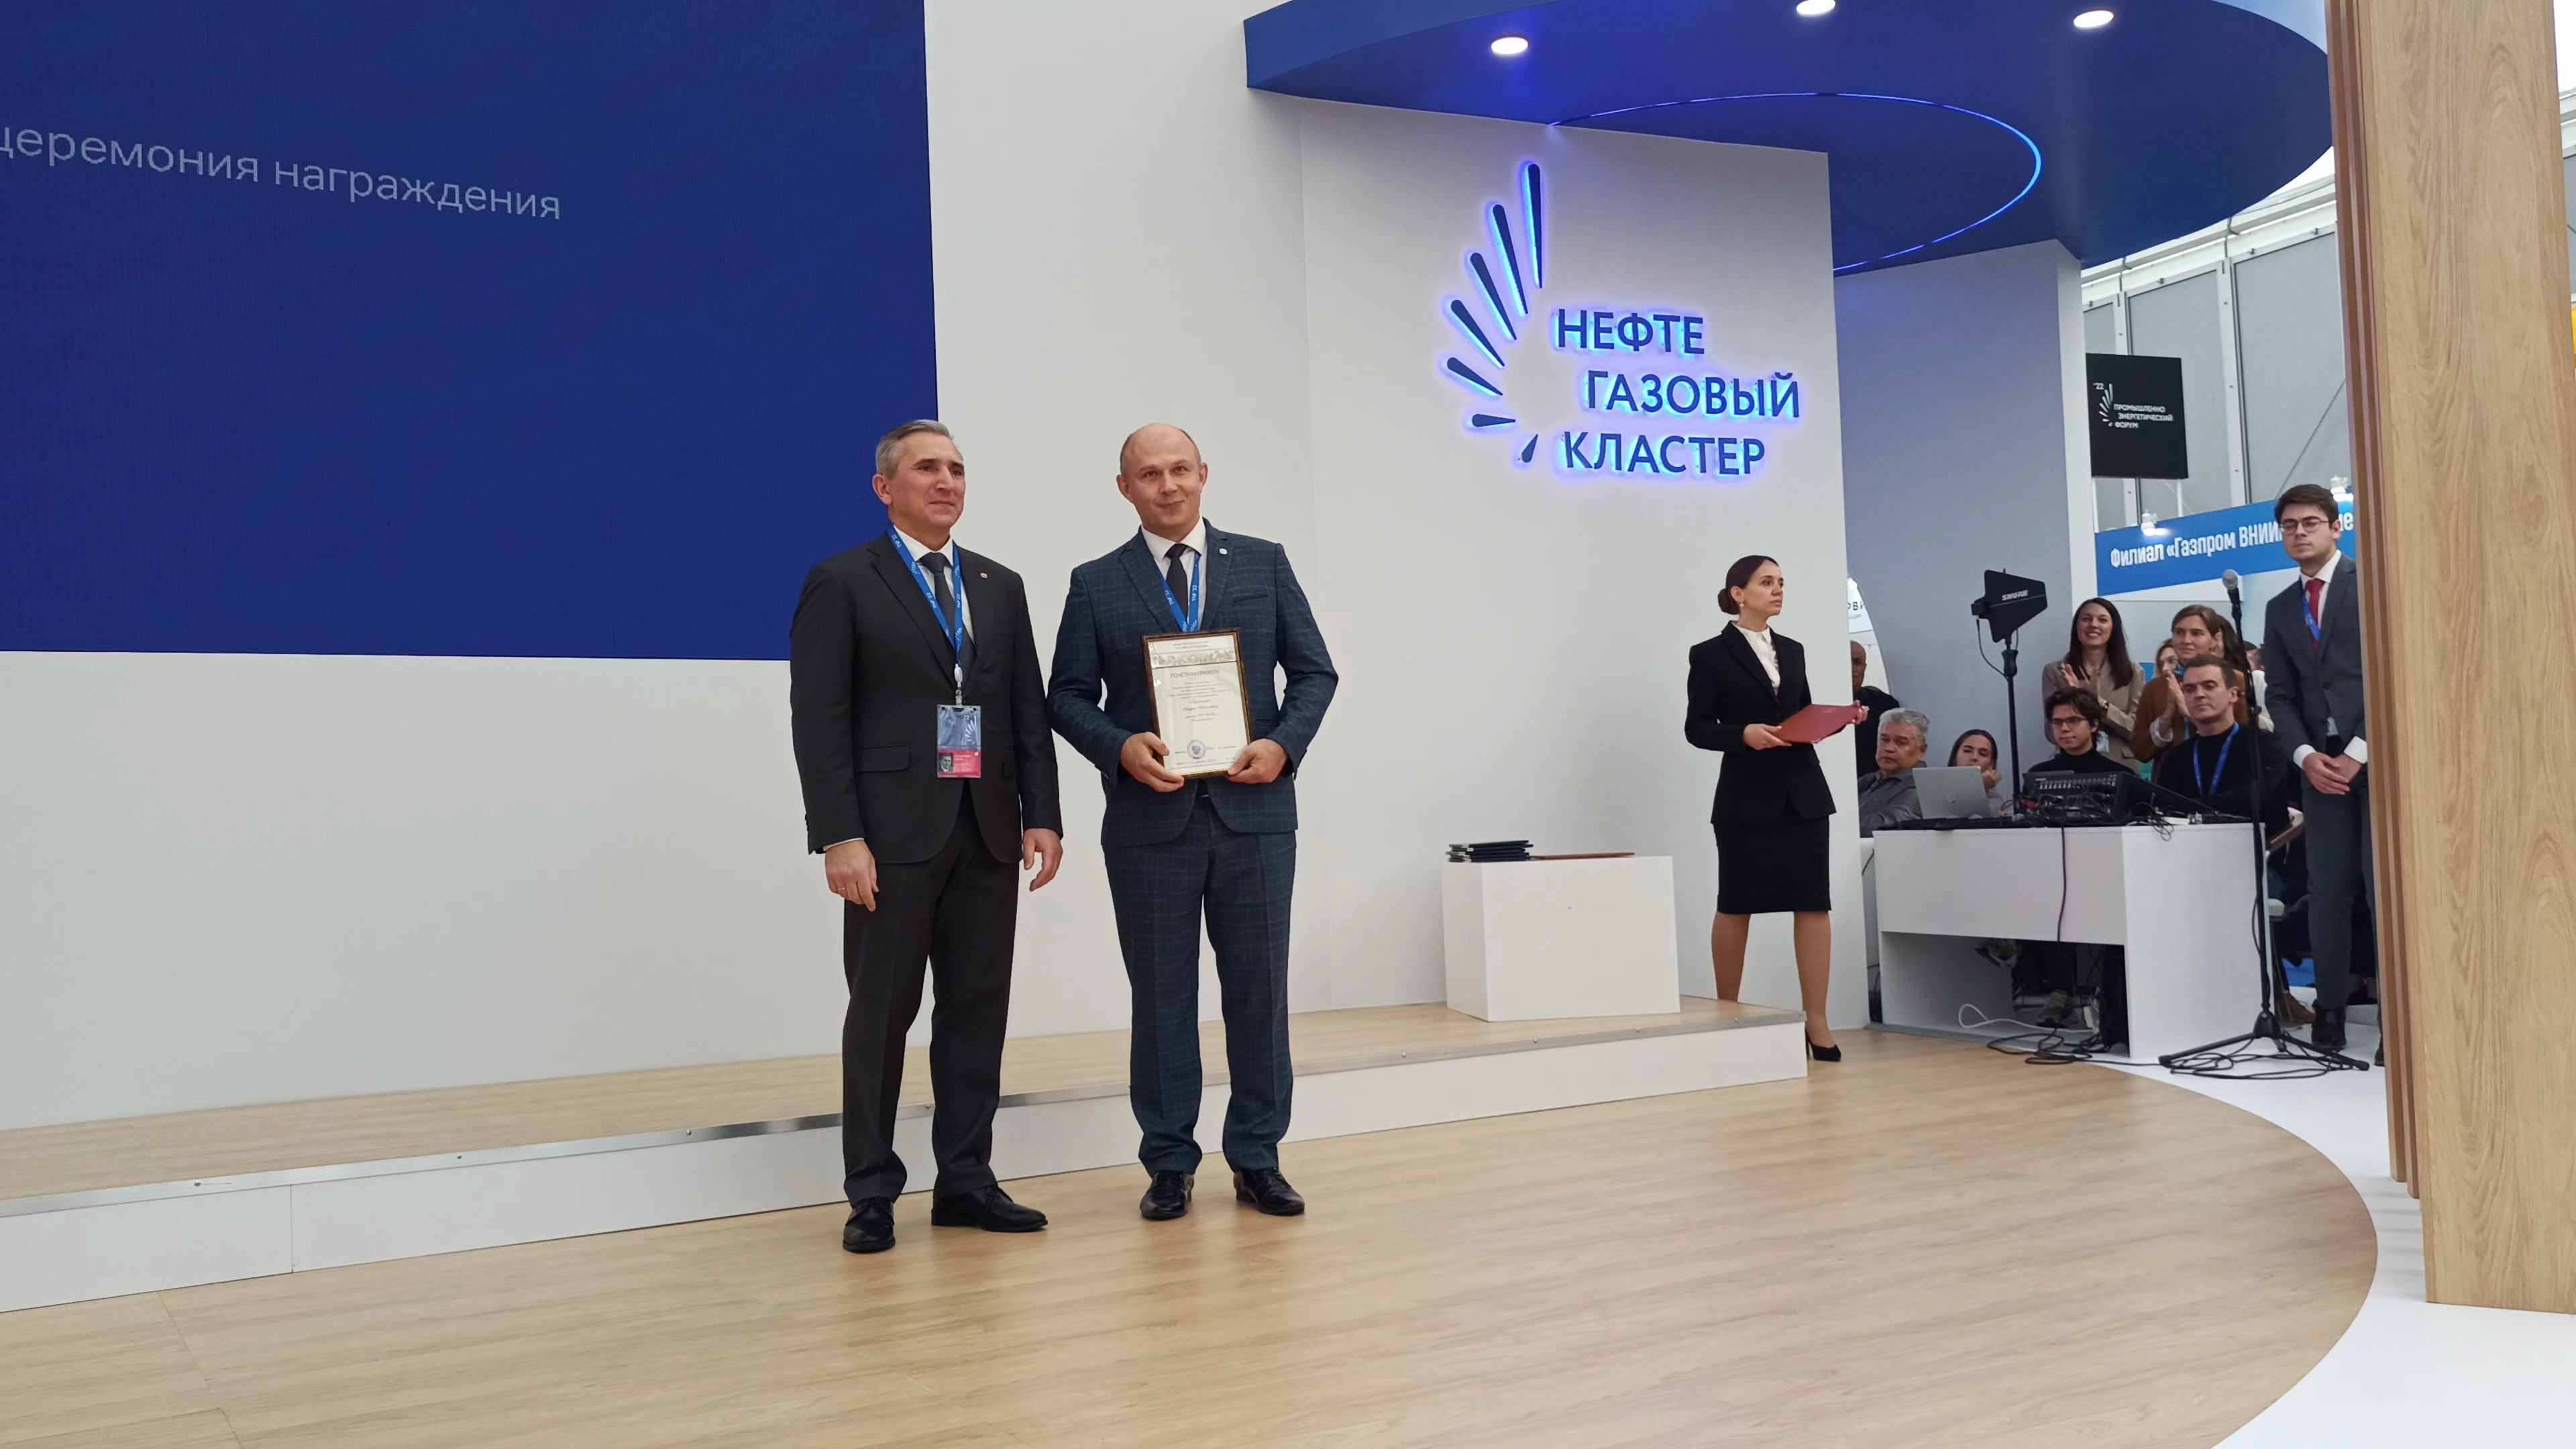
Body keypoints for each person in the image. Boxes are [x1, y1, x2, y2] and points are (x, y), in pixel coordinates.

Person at [789, 420, 1065, 1256]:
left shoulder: (999, 584)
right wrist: (840, 835)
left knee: (976, 1012)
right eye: (926, 469)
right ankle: (872, 1192)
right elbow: (819, 720)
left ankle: (967, 1181)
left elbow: (1025, 710)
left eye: (957, 469)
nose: (946, 482)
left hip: (987, 831)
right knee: (881, 1016)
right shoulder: (842, 581)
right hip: (890, 839)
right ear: (885, 488)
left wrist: (1043, 814)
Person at [1049, 423, 1338, 1221]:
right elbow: (1065, 697)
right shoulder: (1095, 583)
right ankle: (1169, 1164)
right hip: (1150, 825)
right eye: (1150, 474)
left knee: (1260, 995)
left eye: (1180, 469)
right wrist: (1118, 746)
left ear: (1204, 474)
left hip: (1256, 816)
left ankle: (1258, 1158)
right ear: (1125, 488)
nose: (1168, 485)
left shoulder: (1263, 563)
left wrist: (1283, 745)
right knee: (1162, 1000)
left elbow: (1314, 672)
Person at [1686, 555, 1856, 1062]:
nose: (1778, 589)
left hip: (1803, 793)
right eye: (1767, 582)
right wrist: (1744, 734)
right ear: (1738, 593)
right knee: (1736, 903)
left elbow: (1801, 717)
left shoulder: (1794, 650)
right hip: (1746, 796)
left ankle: (1817, 1021)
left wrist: (1837, 719)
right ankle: (1727, 1014)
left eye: (1781, 582)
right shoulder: (1709, 654)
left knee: (1813, 903)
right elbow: (1697, 728)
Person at [2262, 483, 2373, 1053]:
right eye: (2289, 525)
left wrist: (2358, 753)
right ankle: (2328, 1008)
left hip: (2378, 760)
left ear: (2335, 527)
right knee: (2326, 891)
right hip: (2319, 766)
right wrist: (2306, 757)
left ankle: (2402, 1013)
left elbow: (2393, 671)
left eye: (2309, 523)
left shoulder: (2370, 584)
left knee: (2385, 889)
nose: (2299, 533)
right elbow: (2279, 695)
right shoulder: (2281, 607)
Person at [2151, 657, 2291, 834]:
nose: (2199, 694)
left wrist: (2190, 807)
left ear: (2233, 695)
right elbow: (2163, 807)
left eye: (2209, 686)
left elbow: (2254, 796)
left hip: (2255, 843)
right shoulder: (2175, 757)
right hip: (2188, 845)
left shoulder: (2264, 745)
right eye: (2190, 689)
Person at [2039, 598, 2145, 769]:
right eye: (2086, 619)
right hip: (2071, 765)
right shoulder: (2055, 672)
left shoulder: (2133, 671)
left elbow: (2136, 731)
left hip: (2120, 765)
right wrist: (2075, 700)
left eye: (2102, 620)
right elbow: (2050, 732)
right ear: (2076, 627)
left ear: (2113, 628)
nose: (2094, 625)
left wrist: (2100, 703)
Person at [1858, 708, 1929, 835]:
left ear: (1921, 751)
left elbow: (1886, 826)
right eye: (1884, 740)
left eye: (1901, 743)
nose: (1889, 748)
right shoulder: (1866, 781)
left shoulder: (1923, 785)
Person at [2027, 688, 2128, 775]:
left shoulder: (2120, 775)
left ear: (2094, 725)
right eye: (2057, 722)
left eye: (2073, 721)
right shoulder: (2037, 775)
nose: (2064, 728)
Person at [1851, 641, 1902, 781]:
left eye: (1857, 662)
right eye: (1846, 661)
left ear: (1864, 668)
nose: (1851, 668)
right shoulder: (1814, 704)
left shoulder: (1884, 704)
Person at [1947, 729, 2009, 816]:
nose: (1975, 757)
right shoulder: (1935, 788)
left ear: (1991, 764)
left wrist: (1981, 787)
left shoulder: (1994, 800)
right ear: (1955, 757)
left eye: (1983, 754)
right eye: (1967, 751)